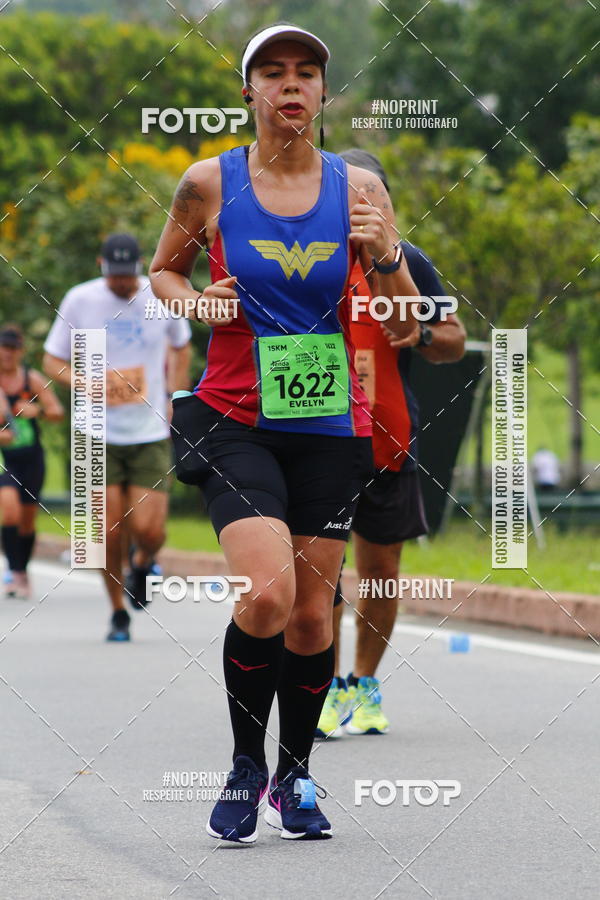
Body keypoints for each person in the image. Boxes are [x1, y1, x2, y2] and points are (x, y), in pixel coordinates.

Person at [150, 23, 421, 843]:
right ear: (250, 91)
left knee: (311, 619)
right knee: (267, 595)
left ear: (323, 93)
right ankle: (244, 763)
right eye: (274, 73)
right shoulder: (209, 182)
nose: (291, 85)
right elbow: (167, 270)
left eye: (306, 72)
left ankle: (296, 779)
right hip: (234, 418)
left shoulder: (360, 192)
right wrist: (195, 303)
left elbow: (407, 327)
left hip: (328, 425)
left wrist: (389, 254)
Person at [316, 149, 466, 739]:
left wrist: (420, 332)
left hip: (387, 435)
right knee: (320, 573)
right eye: (347, 193)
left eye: (372, 195)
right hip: (317, 434)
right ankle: (322, 689)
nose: (360, 205)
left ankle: (363, 683)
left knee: (380, 574)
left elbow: (452, 339)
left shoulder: (409, 264)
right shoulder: (297, 256)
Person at [43, 233, 191, 641]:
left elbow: (181, 345)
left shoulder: (159, 295)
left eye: (128, 275)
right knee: (107, 531)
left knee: (150, 530)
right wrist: (82, 381)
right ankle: (117, 611)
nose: (122, 283)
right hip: (96, 431)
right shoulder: (81, 300)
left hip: (149, 430)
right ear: (100, 265)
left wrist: (177, 394)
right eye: (114, 276)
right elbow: (51, 358)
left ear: (141, 265)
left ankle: (143, 563)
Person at [0, 325, 64, 600]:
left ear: (20, 352)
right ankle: (14, 572)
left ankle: (22, 570)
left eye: (13, 349)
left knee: (27, 520)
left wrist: (36, 410)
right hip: (4, 459)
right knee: (10, 511)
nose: (7, 354)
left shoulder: (31, 379)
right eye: (4, 348)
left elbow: (57, 412)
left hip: (31, 457)